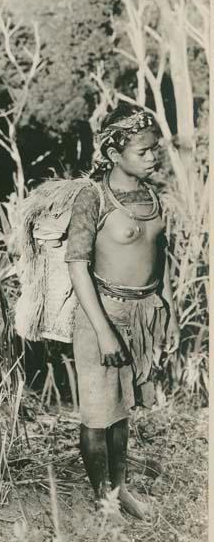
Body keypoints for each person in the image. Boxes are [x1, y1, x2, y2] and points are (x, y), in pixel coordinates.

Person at [65, 103, 180, 519]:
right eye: (143, 151)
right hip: (102, 314)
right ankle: (104, 500)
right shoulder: (92, 198)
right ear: (114, 153)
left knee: (121, 410)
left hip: (143, 313)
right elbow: (77, 266)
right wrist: (104, 332)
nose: (153, 157)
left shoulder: (152, 195)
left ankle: (120, 488)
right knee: (98, 411)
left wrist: (165, 310)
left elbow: (160, 254)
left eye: (154, 150)